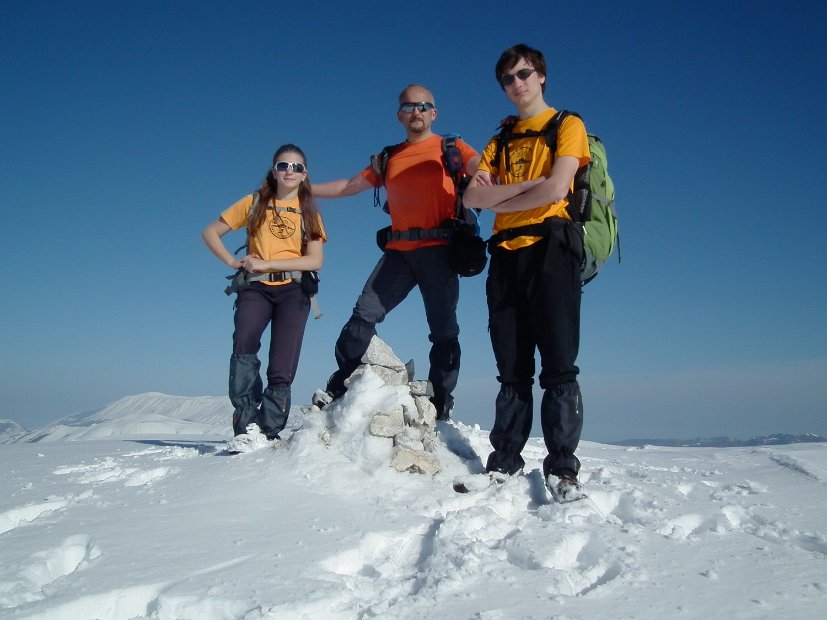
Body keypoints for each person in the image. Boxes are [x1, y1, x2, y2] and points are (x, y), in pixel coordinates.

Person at [463, 44, 591, 499]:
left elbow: (559, 186)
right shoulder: (499, 139)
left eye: (523, 74)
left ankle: (561, 470)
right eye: (507, 79)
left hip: (552, 251)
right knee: (511, 368)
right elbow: (471, 200)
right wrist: (530, 189)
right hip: (505, 255)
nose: (515, 84)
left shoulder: (567, 125)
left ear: (541, 76)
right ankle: (505, 461)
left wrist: (504, 197)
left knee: (558, 366)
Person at [312, 84, 480, 421]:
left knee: (444, 330)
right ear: (399, 115)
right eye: (408, 106)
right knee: (363, 315)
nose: (416, 111)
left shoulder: (452, 148)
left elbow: (485, 170)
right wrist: (302, 189)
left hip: (440, 252)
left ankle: (440, 403)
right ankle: (343, 381)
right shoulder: (389, 157)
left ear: (434, 113)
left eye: (423, 106)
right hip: (399, 253)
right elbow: (348, 186)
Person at [202, 144, 326, 444]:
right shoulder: (254, 202)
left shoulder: (309, 210)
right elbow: (210, 233)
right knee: (243, 347)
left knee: (282, 363)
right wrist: (233, 262)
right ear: (274, 170)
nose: (290, 171)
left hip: (294, 290)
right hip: (255, 287)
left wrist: (268, 262)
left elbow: (315, 260)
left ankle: (269, 430)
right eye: (284, 165)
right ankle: (246, 425)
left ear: (304, 174)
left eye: (297, 167)